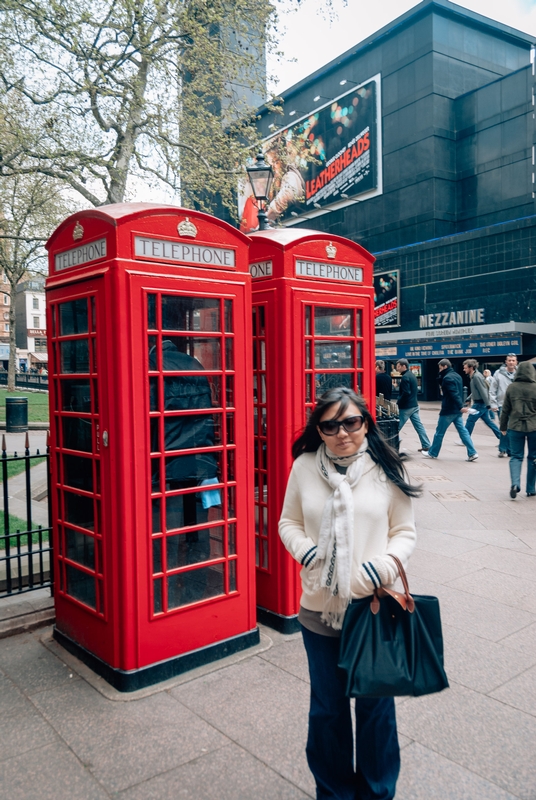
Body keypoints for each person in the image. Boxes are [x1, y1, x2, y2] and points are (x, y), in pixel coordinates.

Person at [279, 386, 419, 800]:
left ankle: (377, 791)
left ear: (366, 422)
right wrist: (308, 554)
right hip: (319, 610)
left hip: (373, 608)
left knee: (376, 711)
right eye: (330, 425)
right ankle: (334, 791)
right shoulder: (304, 467)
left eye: (352, 422)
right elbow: (288, 522)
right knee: (328, 709)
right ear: (318, 430)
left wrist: (381, 568)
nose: (343, 433)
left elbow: (404, 532)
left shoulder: (387, 466)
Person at [423, 359, 478, 461]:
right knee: (463, 432)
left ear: (444, 367)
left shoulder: (447, 378)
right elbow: (458, 392)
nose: (439, 371)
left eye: (440, 368)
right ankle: (472, 452)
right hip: (457, 411)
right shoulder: (457, 376)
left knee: (439, 432)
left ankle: (433, 452)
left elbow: (454, 394)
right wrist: (460, 407)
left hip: (449, 410)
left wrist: (460, 406)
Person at [499, 361, 536, 499]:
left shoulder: (512, 387)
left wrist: (503, 427)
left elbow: (505, 410)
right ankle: (531, 488)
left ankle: (515, 483)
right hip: (534, 427)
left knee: (516, 457)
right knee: (533, 457)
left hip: (515, 426)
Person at [461, 359, 501, 442]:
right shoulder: (474, 376)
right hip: (481, 403)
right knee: (489, 422)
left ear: (471, 368)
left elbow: (483, 391)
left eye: (465, 368)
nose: (464, 369)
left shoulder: (476, 377)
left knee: (470, 420)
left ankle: (465, 439)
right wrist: (468, 399)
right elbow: (477, 390)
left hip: (480, 403)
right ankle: (502, 438)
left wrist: (488, 404)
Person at [395, 358, 431, 452]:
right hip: (414, 405)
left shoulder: (405, 377)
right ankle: (426, 445)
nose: (397, 368)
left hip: (407, 407)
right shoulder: (412, 375)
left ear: (404, 366)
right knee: (419, 427)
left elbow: (406, 393)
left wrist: (399, 401)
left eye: (398, 366)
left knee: (396, 427)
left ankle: (393, 445)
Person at [490, 353, 518, 457]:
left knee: (512, 427)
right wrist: (493, 404)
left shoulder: (519, 373)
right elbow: (493, 389)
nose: (511, 362)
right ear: (506, 362)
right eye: (509, 360)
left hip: (516, 405)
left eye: (513, 360)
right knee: (504, 427)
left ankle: (509, 449)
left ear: (516, 362)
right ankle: (503, 449)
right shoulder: (498, 373)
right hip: (502, 404)